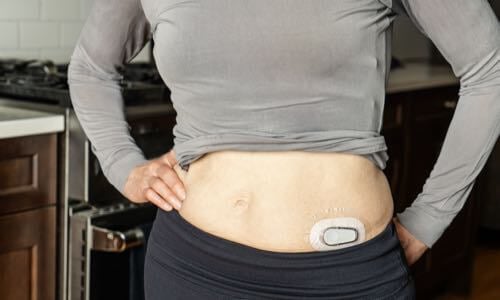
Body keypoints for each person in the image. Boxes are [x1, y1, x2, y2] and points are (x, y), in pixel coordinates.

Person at [67, 0, 500, 298]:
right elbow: (91, 66)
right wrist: (123, 163)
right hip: (195, 270)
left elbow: (490, 67)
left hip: (349, 280)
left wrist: (428, 219)